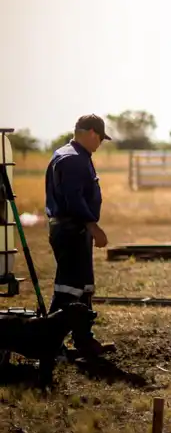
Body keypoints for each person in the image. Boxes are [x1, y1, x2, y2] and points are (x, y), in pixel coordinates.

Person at [44, 114, 114, 357]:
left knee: (82, 287)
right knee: (68, 289)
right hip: (71, 228)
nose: (99, 144)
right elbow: (73, 198)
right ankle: (50, 344)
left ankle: (84, 340)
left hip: (76, 229)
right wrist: (93, 226)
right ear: (92, 133)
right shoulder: (73, 159)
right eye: (100, 139)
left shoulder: (74, 155)